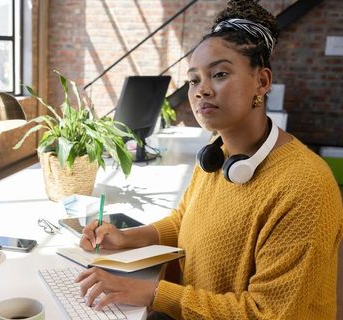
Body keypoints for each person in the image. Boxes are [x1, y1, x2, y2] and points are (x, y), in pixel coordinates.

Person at [75, 0, 343, 319]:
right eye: (193, 80)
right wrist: (126, 238)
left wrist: (154, 292)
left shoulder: (305, 186)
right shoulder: (217, 155)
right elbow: (184, 221)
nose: (202, 90)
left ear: (262, 81)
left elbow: (269, 312)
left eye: (219, 74)